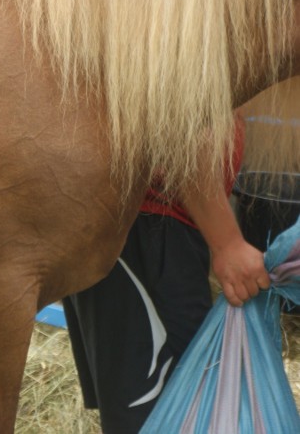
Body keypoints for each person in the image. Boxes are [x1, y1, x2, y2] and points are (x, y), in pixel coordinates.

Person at [62, 116, 270, 434]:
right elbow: (183, 130)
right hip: (144, 229)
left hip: (155, 229)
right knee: (158, 409)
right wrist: (226, 241)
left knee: (171, 402)